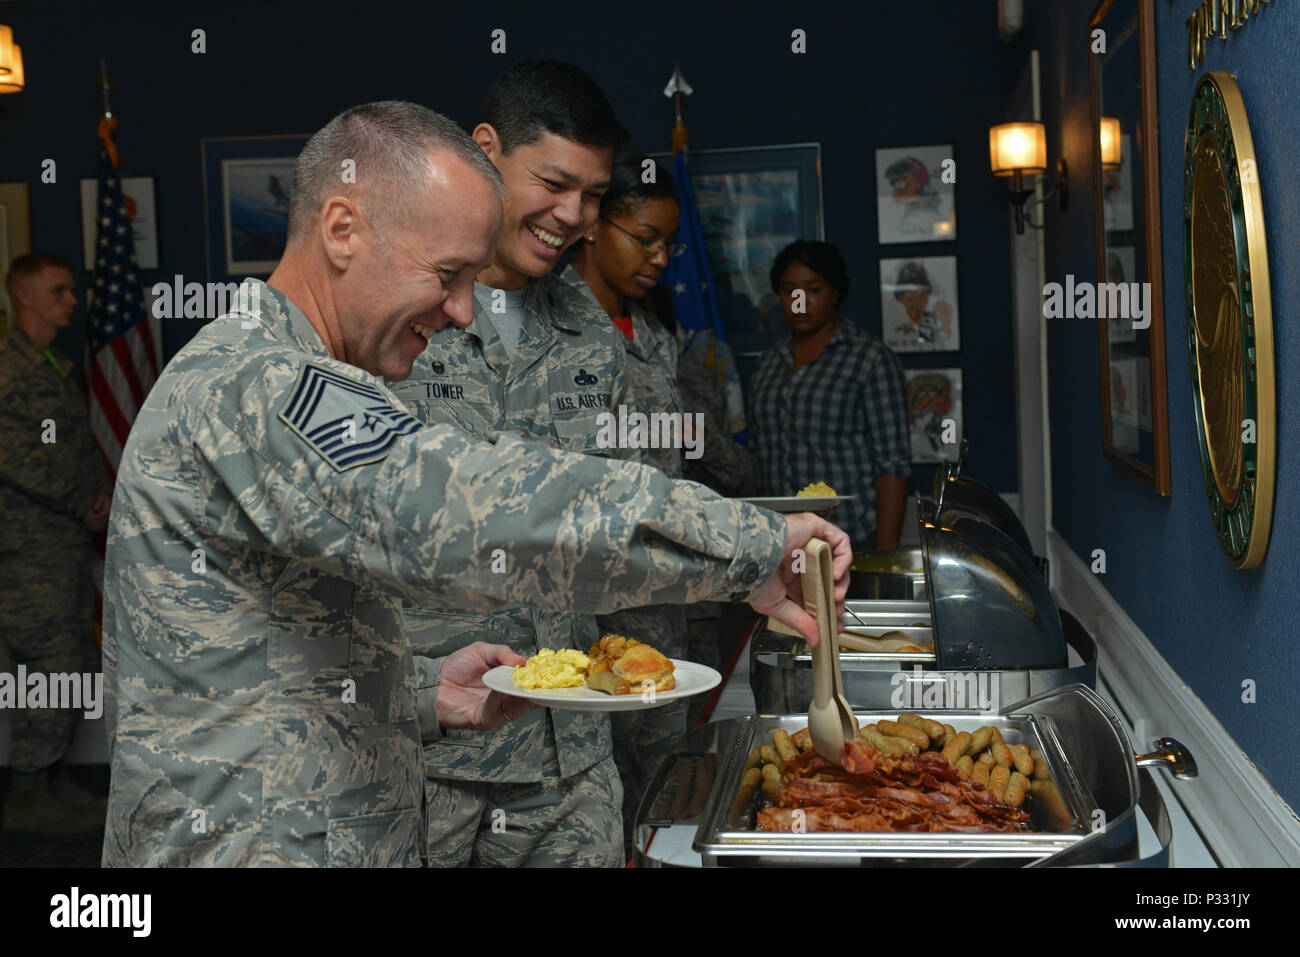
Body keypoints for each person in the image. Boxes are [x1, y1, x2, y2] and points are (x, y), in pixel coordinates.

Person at [101, 101, 851, 868]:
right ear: (342, 229)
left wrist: (418, 692)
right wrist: (749, 544)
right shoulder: (263, 383)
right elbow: (472, 511)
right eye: (447, 275)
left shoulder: (281, 370)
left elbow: (270, 646)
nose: (463, 312)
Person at [387, 62, 636, 868]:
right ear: (486, 151)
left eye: (594, 196)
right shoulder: (392, 321)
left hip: (572, 760)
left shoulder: (593, 334)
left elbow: (618, 518)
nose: (575, 217)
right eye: (556, 183)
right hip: (429, 764)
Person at [565, 153, 694, 852]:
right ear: (591, 226)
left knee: (663, 789)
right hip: (587, 616)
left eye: (669, 243)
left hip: (662, 603)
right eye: (643, 237)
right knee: (595, 800)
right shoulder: (547, 330)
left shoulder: (653, 332)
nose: (661, 256)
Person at [0, 254, 112, 836]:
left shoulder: (48, 364)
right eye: (59, 290)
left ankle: (47, 783)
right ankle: (27, 793)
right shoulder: (8, 369)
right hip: (27, 554)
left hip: (61, 546)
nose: (72, 300)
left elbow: (72, 447)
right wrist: (82, 499)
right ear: (23, 295)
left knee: (69, 666)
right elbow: (15, 459)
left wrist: (95, 494)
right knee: (49, 667)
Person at [749, 240, 910, 552]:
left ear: (834, 293)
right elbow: (758, 457)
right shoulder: (767, 364)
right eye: (788, 291)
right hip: (780, 544)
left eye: (813, 289)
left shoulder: (869, 359)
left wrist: (885, 554)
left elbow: (893, 466)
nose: (799, 301)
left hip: (850, 538)